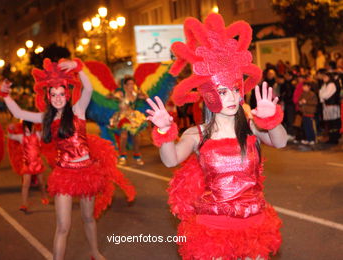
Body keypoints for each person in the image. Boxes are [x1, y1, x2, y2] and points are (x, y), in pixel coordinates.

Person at [146, 13, 287, 259]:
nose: (232, 98)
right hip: (213, 229)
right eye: (222, 92)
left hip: (254, 225)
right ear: (208, 95)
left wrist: (271, 119)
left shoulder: (251, 126)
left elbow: (280, 141)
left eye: (234, 89)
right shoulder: (197, 134)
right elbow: (170, 160)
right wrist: (163, 130)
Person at [0, 58, 135, 260]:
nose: (58, 98)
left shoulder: (78, 110)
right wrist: (5, 95)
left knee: (88, 218)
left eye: (61, 94)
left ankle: (94, 252)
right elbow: (18, 112)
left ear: (67, 94)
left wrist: (78, 68)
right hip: (64, 174)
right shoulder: (46, 118)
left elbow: (88, 89)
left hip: (87, 172)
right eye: (53, 95)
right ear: (48, 96)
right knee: (63, 226)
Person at [7, 120, 49, 213]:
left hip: (38, 163)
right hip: (27, 164)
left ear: (34, 127)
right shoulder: (21, 137)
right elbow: (10, 136)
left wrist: (44, 123)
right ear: (24, 128)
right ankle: (24, 204)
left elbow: (46, 132)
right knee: (25, 185)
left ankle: (44, 196)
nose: (29, 129)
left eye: (31, 127)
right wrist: (10, 129)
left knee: (41, 183)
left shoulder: (37, 134)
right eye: (26, 128)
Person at [108, 76, 148, 165]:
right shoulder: (121, 93)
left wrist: (142, 93)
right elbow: (109, 96)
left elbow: (146, 98)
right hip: (123, 116)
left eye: (133, 84)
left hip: (133, 117)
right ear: (125, 85)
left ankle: (137, 155)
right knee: (124, 135)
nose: (131, 85)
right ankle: (122, 156)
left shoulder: (135, 93)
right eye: (129, 84)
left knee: (136, 136)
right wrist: (113, 95)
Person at [319, 71, 341, 144]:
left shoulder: (331, 84)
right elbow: (320, 94)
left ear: (329, 77)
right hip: (327, 106)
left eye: (325, 77)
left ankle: (334, 139)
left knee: (334, 123)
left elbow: (325, 95)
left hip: (332, 106)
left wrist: (322, 95)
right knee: (330, 124)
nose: (323, 78)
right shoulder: (325, 84)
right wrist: (322, 95)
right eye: (323, 77)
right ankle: (331, 138)